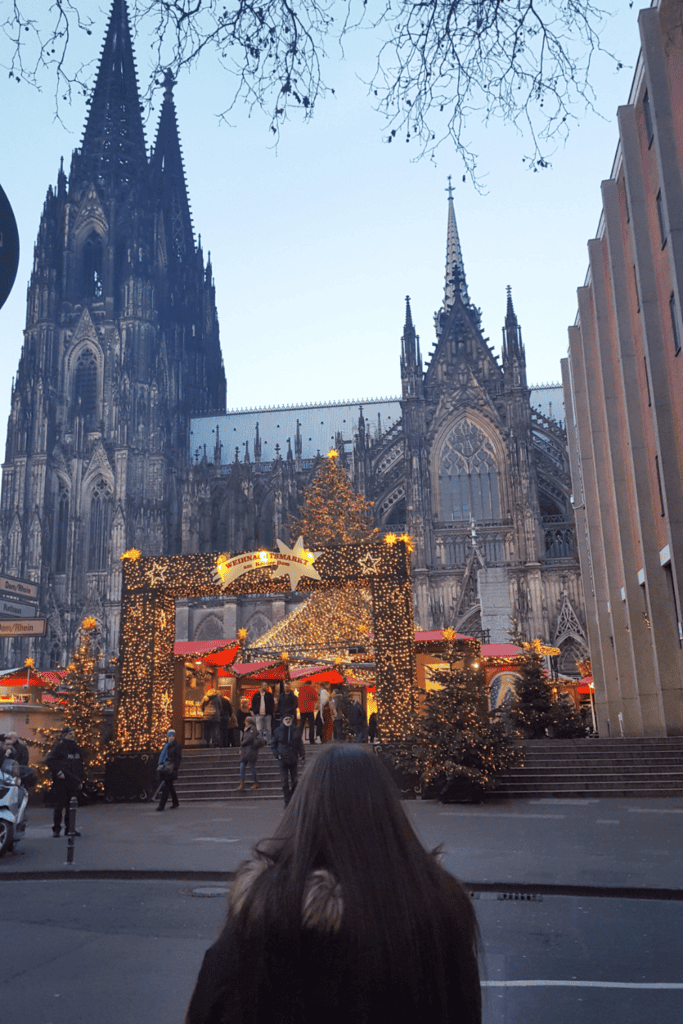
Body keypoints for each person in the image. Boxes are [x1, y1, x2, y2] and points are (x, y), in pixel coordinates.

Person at [185, 744, 481, 1024]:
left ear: (303, 813)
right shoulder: (438, 907)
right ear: (388, 813)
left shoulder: (264, 911)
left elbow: (211, 1005)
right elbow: (465, 1008)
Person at [46, 726, 84, 837]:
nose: (72, 735)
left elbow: (80, 765)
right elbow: (49, 761)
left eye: (73, 733)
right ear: (64, 735)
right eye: (70, 733)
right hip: (61, 782)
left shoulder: (77, 749)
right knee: (59, 806)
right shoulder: (59, 747)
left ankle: (70, 828)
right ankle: (56, 829)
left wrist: (80, 779)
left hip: (73, 781)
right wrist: (57, 772)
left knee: (71, 807)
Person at [270, 714, 305, 807]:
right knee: (284, 781)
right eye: (286, 719)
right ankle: (287, 800)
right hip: (283, 759)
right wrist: (277, 755)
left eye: (289, 719)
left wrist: (302, 755)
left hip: (293, 758)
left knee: (295, 781)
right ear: (283, 720)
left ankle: (293, 798)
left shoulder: (295, 730)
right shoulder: (278, 731)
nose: (288, 721)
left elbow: (300, 744)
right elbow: (273, 744)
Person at [156, 728, 182, 811]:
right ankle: (175, 802)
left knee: (166, 787)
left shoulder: (176, 745)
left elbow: (178, 758)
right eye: (169, 736)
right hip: (165, 768)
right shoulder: (166, 745)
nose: (171, 737)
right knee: (170, 785)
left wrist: (175, 769)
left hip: (170, 769)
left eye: (172, 736)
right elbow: (163, 756)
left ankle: (161, 805)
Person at [238, 716, 266, 791]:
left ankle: (255, 782)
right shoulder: (245, 730)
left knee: (251, 767)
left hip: (251, 751)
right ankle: (241, 783)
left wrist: (242, 743)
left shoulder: (252, 728)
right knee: (242, 767)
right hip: (244, 752)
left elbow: (250, 738)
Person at [297, 679, 318, 744]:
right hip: (309, 709)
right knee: (311, 725)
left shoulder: (300, 689)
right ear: (310, 683)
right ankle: (311, 740)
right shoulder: (312, 689)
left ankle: (299, 739)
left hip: (302, 709)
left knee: (301, 725)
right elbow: (315, 697)